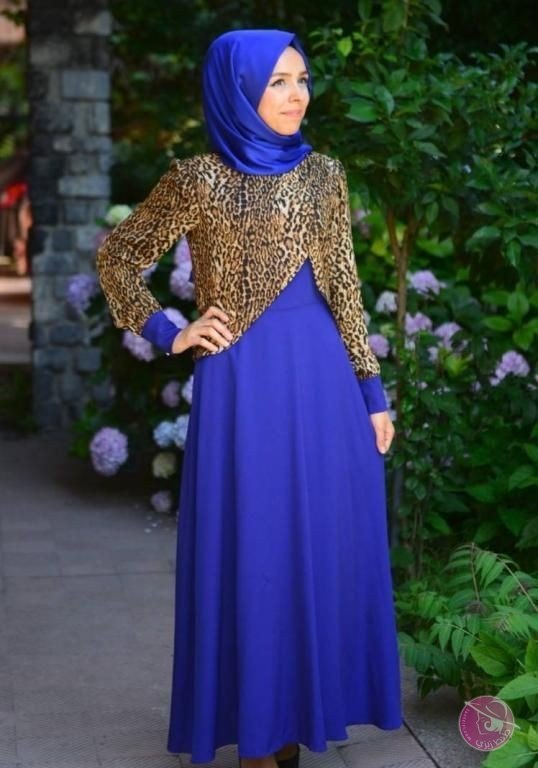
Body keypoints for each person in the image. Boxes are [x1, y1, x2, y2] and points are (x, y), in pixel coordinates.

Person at [96, 27, 402, 768]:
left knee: (315, 547)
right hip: (242, 385)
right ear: (237, 90)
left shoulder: (323, 175)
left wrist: (371, 390)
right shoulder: (198, 179)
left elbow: (344, 287)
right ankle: (256, 739)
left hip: (322, 382)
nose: (298, 96)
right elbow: (119, 257)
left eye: (303, 79)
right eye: (278, 82)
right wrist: (171, 331)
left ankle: (292, 726)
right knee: (255, 547)